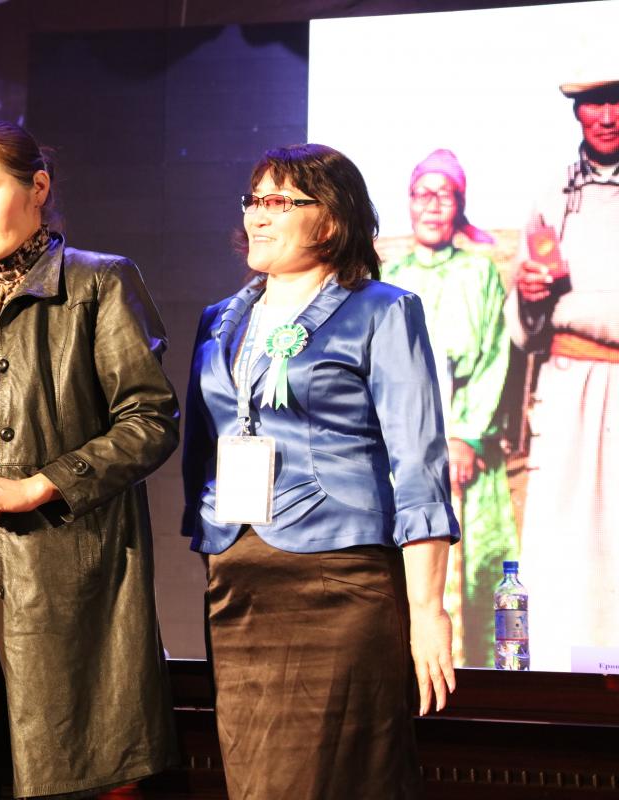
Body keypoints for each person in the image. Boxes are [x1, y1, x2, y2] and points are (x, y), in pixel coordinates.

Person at [0, 121, 179, 798]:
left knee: (53, 775)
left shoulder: (98, 282)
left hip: (52, 564)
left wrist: (40, 485)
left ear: (38, 187)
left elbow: (150, 419)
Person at [181, 144, 458, 799]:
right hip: (238, 585)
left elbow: (418, 464)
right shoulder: (219, 321)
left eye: (279, 201)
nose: (257, 215)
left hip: (338, 583)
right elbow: (201, 452)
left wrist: (427, 610)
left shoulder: (382, 310)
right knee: (255, 781)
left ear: (330, 221)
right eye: (253, 200)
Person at [381, 148, 517, 667]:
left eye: (445, 195)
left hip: (465, 453)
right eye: (423, 194)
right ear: (409, 202)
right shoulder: (389, 279)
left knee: (474, 573)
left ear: (459, 205)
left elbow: (493, 357)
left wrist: (464, 436)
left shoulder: (479, 273)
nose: (433, 205)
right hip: (400, 455)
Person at [505, 76, 619, 671]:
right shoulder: (553, 195)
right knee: (563, 547)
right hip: (567, 386)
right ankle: (559, 687)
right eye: (594, 102)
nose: (607, 115)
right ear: (577, 110)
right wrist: (530, 299)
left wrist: (572, 307)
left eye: (617, 100)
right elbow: (525, 326)